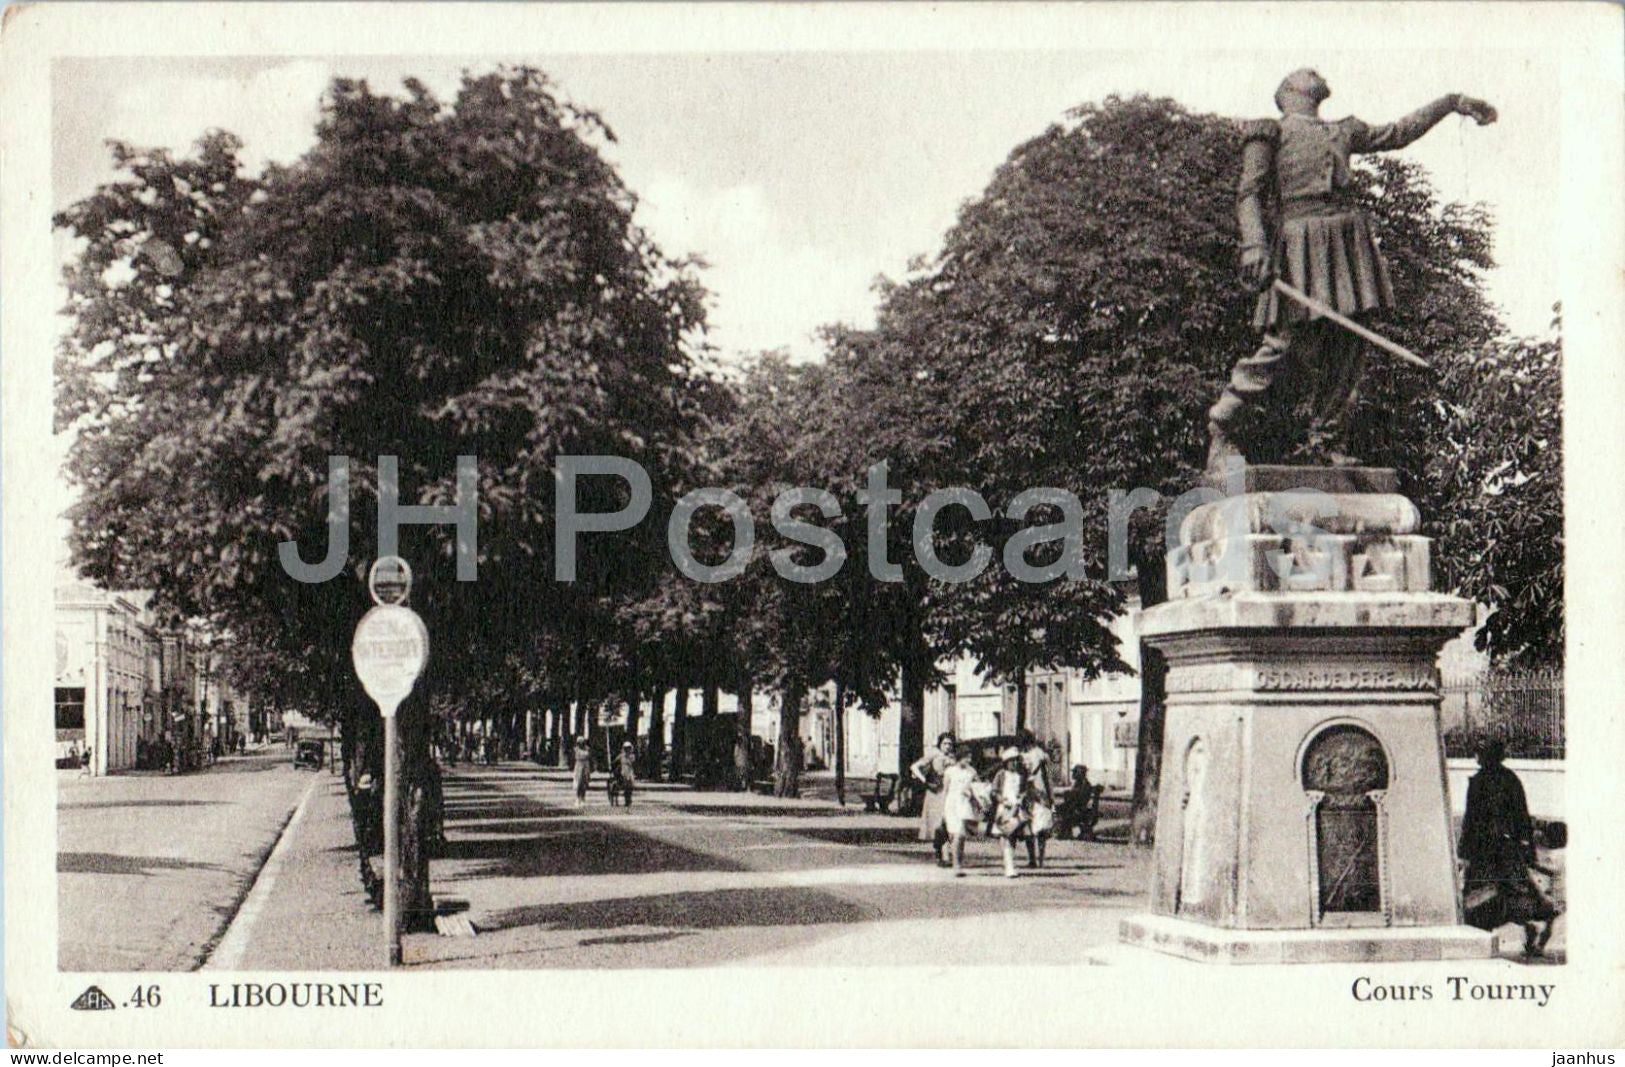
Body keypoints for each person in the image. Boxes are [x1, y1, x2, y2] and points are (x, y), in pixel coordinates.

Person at [1205, 69, 1497, 473]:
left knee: (1347, 346)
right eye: (1302, 77)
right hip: (1298, 243)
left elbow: (1399, 132)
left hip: (1345, 243)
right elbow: (1249, 193)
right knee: (1283, 343)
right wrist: (1254, 245)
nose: (1312, 75)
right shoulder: (1268, 132)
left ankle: (1325, 441)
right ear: (1287, 93)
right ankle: (1224, 422)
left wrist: (1450, 102)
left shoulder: (1343, 131)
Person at [1458, 738, 1560, 956]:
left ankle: (1483, 938)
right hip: (1506, 849)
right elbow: (1522, 817)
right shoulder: (1510, 779)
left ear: (1486, 756)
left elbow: (1471, 820)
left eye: (1480, 752)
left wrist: (1464, 852)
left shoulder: (1478, 782)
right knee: (1512, 890)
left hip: (1485, 850)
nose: (1477, 756)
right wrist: (1527, 850)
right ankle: (1530, 924)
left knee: (1483, 894)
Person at [910, 732, 957, 865]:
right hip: (936, 793)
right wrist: (925, 780)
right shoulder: (933, 755)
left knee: (949, 823)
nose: (947, 746)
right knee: (939, 824)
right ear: (940, 744)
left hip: (950, 793)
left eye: (950, 744)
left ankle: (944, 852)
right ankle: (943, 854)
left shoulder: (954, 758)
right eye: (945, 743)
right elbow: (914, 767)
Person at [989, 747, 1035, 879]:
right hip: (1005, 808)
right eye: (1011, 761)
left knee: (1014, 836)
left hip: (1018, 808)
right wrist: (1000, 799)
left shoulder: (1020, 776)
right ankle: (1008, 866)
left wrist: (1022, 797)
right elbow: (994, 791)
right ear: (1006, 762)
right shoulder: (1001, 775)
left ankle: (1011, 863)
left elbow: (1025, 790)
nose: (1014, 764)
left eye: (1016, 761)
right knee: (1006, 836)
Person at [939, 745, 981, 877]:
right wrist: (942, 810)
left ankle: (958, 864)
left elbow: (978, 788)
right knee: (955, 835)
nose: (968, 760)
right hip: (952, 804)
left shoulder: (972, 772)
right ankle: (956, 864)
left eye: (970, 757)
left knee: (961, 835)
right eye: (966, 757)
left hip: (965, 804)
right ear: (959, 757)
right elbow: (945, 791)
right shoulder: (950, 771)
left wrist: (972, 794)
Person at [1018, 730, 1055, 869]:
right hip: (1041, 794)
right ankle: (1040, 859)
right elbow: (1048, 778)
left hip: (1028, 793)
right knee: (1041, 828)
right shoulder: (1042, 755)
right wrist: (1051, 798)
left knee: (1029, 826)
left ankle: (1032, 858)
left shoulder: (1023, 756)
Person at [611, 740, 637, 807]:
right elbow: (614, 762)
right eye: (626, 748)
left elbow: (634, 764)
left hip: (630, 772)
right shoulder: (621, 756)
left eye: (628, 748)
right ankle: (627, 800)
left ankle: (628, 800)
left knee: (630, 787)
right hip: (623, 772)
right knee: (625, 786)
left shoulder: (632, 756)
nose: (627, 749)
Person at [571, 735, 593, 808]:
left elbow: (589, 757)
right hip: (578, 767)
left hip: (586, 766)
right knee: (578, 784)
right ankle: (577, 799)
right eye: (579, 742)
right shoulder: (576, 749)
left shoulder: (587, 749)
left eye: (582, 742)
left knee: (584, 784)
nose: (581, 743)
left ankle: (583, 799)